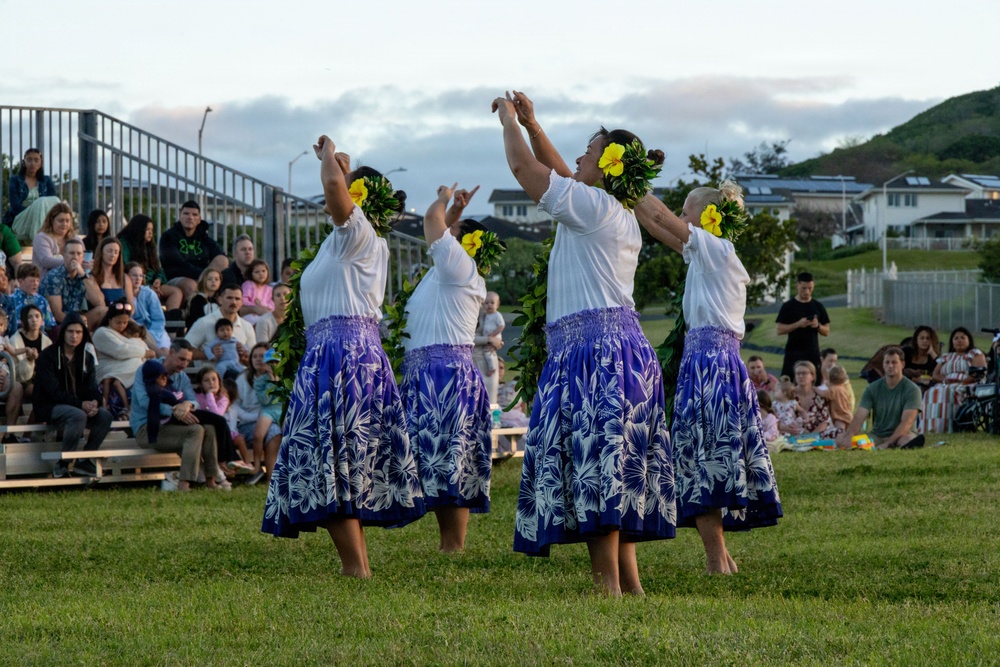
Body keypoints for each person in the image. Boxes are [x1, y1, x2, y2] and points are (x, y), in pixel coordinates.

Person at [494, 91, 674, 595]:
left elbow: (524, 170)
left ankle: (607, 586)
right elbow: (561, 173)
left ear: (609, 167)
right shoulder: (610, 209)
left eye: (588, 152)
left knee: (598, 466)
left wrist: (509, 122)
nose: (577, 159)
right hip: (623, 352)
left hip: (595, 355)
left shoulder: (592, 207)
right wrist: (533, 124)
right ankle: (630, 585)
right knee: (614, 467)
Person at [262, 135, 425, 578]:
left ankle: (357, 568)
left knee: (333, 460)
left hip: (345, 356)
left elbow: (335, 190)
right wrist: (338, 164)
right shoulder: (344, 240)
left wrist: (329, 154)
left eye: (348, 186)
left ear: (358, 199)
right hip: (333, 353)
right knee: (336, 462)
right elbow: (338, 191)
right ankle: (358, 565)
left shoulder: (360, 234)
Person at [634, 179, 782, 574]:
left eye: (688, 211)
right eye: (682, 210)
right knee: (700, 457)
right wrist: (626, 197)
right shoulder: (704, 254)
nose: (681, 217)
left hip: (712, 364)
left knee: (706, 458)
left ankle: (717, 560)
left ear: (708, 217)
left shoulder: (717, 249)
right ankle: (721, 559)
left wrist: (630, 174)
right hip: (703, 363)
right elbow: (656, 224)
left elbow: (663, 217)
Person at [400, 183, 494, 553]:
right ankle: (448, 543)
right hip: (429, 371)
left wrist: (440, 198)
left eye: (454, 234)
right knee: (436, 458)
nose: (445, 236)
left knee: (451, 457)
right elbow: (443, 230)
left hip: (446, 376)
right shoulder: (447, 270)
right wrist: (455, 209)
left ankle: (453, 545)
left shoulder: (460, 268)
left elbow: (431, 221)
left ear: (464, 246)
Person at [130, 340, 224, 491]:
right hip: (147, 428)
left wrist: (187, 405)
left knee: (208, 428)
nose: (185, 364)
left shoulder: (182, 377)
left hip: (171, 426)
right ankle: (184, 483)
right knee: (196, 430)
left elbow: (194, 401)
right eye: (182, 359)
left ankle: (211, 480)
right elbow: (144, 402)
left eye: (188, 361)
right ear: (171, 352)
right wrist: (174, 411)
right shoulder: (147, 369)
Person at [34, 312, 113, 478]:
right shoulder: (47, 356)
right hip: (50, 405)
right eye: (70, 331)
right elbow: (52, 392)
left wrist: (94, 402)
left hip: (77, 405)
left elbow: (92, 386)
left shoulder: (87, 357)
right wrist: (81, 405)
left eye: (78, 332)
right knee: (77, 415)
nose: (74, 336)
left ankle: (85, 460)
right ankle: (63, 464)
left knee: (105, 416)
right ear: (63, 332)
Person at [836, 347, 924, 450]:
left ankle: (895, 446)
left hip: (903, 435)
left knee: (908, 440)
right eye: (887, 362)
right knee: (840, 439)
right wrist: (849, 436)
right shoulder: (872, 388)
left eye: (894, 362)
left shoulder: (912, 389)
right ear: (883, 364)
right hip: (877, 435)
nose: (890, 366)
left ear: (902, 364)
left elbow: (906, 422)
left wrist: (887, 443)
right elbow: (860, 416)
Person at [92, 300, 156, 419]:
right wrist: (145, 353)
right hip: (108, 367)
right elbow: (121, 350)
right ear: (110, 319)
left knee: (140, 363)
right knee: (136, 362)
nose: (122, 326)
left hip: (122, 365)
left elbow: (134, 345)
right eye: (118, 322)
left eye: (125, 323)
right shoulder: (102, 333)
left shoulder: (126, 333)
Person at [158, 200, 228, 300]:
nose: (190, 217)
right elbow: (178, 265)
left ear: (199, 219)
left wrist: (205, 276)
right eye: (186, 213)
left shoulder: (204, 238)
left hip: (202, 277)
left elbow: (221, 256)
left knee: (222, 260)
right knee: (190, 285)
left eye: (194, 215)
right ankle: (198, 311)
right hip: (176, 277)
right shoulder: (168, 237)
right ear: (180, 217)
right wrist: (202, 275)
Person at [922, 326, 986, 433]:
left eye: (962, 337)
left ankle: (946, 427)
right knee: (930, 392)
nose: (959, 340)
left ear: (968, 340)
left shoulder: (975, 353)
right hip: (946, 384)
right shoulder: (946, 357)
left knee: (947, 392)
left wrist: (961, 381)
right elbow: (935, 374)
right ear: (952, 342)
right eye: (956, 338)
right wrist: (945, 381)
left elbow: (978, 372)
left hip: (968, 384)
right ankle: (930, 427)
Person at [118, 214, 184, 313]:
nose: (150, 233)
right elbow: (128, 268)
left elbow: (158, 268)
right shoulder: (124, 244)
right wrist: (148, 287)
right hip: (135, 285)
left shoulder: (148, 246)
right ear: (139, 229)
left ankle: (170, 319)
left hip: (152, 284)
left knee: (176, 292)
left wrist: (159, 279)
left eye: (151, 230)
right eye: (147, 230)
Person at [237, 343, 282, 484]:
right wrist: (271, 381)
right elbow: (265, 400)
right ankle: (260, 469)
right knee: (270, 431)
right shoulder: (244, 379)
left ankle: (273, 478)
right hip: (248, 422)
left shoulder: (284, 378)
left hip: (275, 414)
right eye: (254, 356)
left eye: (261, 356)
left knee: (277, 431)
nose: (258, 359)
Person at [193, 366, 253, 473]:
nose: (211, 383)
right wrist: (210, 395)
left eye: (214, 379)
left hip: (225, 432)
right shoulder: (198, 396)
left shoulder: (223, 397)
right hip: (211, 431)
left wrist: (210, 396)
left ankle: (246, 463)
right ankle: (233, 463)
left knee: (237, 438)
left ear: (219, 382)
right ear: (200, 384)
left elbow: (217, 416)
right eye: (206, 380)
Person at [39, 238, 104, 329]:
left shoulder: (84, 276)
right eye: (71, 253)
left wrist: (82, 275)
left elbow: (100, 302)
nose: (75, 257)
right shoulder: (53, 277)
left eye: (79, 254)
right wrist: (79, 325)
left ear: (83, 256)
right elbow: (57, 314)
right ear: (64, 255)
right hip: (58, 325)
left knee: (103, 311)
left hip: (79, 321)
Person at [776, 272, 830, 378]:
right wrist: (798, 324)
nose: (807, 292)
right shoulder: (788, 306)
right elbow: (779, 329)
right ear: (797, 286)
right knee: (789, 381)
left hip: (812, 352)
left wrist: (817, 326)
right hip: (793, 352)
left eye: (810, 288)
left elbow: (827, 331)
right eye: (804, 288)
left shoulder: (818, 306)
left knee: (814, 381)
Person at [7, 304, 52, 428]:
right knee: (42, 392)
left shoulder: (47, 341)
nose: (34, 320)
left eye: (37, 316)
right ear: (23, 320)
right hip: (22, 379)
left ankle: (30, 433)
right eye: (30, 317)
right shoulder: (14, 340)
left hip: (42, 378)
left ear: (42, 320)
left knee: (50, 390)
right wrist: (29, 361)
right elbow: (16, 373)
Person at [185, 284, 255, 362]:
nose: (234, 302)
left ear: (242, 302)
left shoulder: (247, 326)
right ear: (220, 300)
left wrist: (244, 356)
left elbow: (253, 357)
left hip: (240, 373)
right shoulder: (204, 322)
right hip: (212, 373)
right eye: (229, 298)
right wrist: (208, 354)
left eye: (237, 299)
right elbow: (185, 349)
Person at [5, 148, 60, 242]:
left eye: (36, 160)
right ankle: (40, 243)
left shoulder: (46, 180)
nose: (32, 163)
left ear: (41, 163)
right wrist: (35, 208)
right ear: (24, 162)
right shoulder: (15, 180)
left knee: (56, 200)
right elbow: (15, 208)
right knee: (40, 202)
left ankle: (48, 239)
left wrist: (39, 209)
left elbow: (52, 205)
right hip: (20, 220)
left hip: (43, 220)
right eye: (29, 160)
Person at [126, 262, 170, 354]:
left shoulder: (149, 293)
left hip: (155, 330)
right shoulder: (123, 294)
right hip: (135, 331)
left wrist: (153, 334)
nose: (138, 278)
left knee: (165, 350)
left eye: (141, 276)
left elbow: (158, 319)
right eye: (134, 275)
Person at [31, 202, 78, 281]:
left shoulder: (75, 239)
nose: (64, 224)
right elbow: (47, 261)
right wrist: (72, 262)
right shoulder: (42, 237)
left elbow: (83, 257)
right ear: (51, 220)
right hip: (46, 282)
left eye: (67, 221)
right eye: (61, 221)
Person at [5, 263, 56, 334]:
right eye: (32, 281)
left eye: (37, 281)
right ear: (20, 281)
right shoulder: (9, 300)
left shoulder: (42, 301)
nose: (35, 284)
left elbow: (50, 325)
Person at [90, 237, 134, 309]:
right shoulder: (93, 277)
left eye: (116, 252)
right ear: (101, 252)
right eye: (109, 251)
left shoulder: (125, 278)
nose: (112, 255)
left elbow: (131, 305)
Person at [793, 360, 833, 436]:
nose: (800, 376)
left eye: (804, 373)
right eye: (798, 373)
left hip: (816, 433)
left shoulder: (819, 395)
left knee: (837, 432)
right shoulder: (789, 395)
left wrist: (811, 436)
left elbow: (824, 421)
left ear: (813, 376)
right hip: (794, 432)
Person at [814, 364, 852, 437]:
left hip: (839, 416)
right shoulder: (842, 388)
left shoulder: (833, 390)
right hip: (847, 414)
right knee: (847, 432)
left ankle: (840, 442)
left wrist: (815, 389)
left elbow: (823, 394)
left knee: (839, 432)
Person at [476, 291, 505, 383]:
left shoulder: (489, 314)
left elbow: (501, 326)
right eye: (486, 303)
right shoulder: (482, 313)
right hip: (474, 360)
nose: (489, 305)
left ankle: (492, 367)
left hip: (489, 357)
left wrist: (499, 342)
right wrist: (489, 339)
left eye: (492, 303)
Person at [903, 325, 940, 393]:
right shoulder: (907, 352)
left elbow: (943, 371)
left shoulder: (934, 358)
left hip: (927, 390)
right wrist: (916, 379)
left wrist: (932, 353)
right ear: (916, 340)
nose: (924, 341)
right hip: (906, 388)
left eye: (928, 338)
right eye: (922, 338)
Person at [240, 258, 274, 325]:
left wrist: (262, 305)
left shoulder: (269, 289)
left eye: (263, 271)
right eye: (257, 272)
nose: (261, 274)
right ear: (251, 274)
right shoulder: (248, 284)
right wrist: (255, 306)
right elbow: (243, 300)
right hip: (250, 315)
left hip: (265, 314)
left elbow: (272, 304)